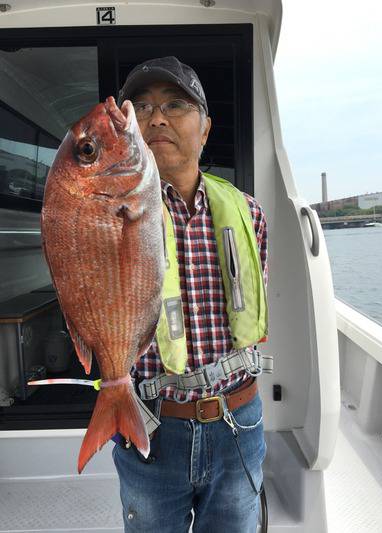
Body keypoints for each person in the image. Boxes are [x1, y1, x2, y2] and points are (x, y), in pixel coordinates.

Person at [112, 56, 269, 533]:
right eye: (141, 107)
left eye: (175, 104)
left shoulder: (248, 213)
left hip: (240, 421)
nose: (156, 117)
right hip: (154, 427)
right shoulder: (115, 214)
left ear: (204, 129)